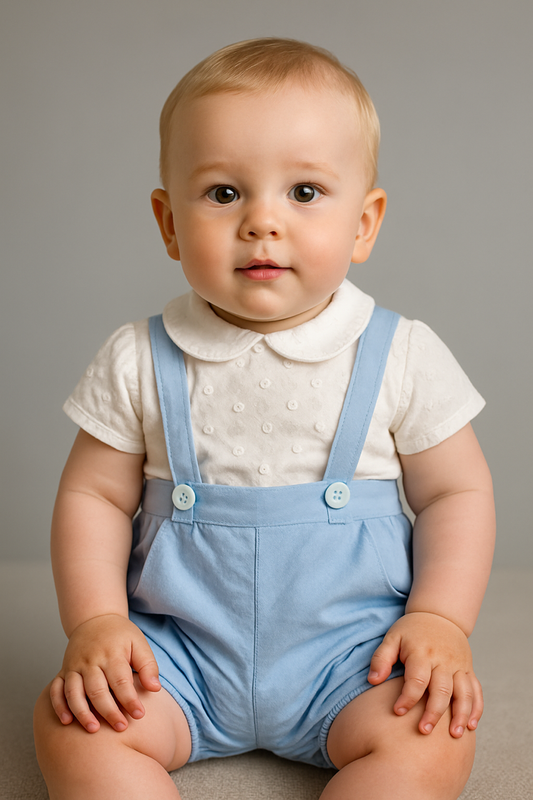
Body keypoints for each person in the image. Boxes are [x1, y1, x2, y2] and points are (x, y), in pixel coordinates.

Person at [33, 37, 495, 800]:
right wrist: (95, 624)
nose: (261, 223)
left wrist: (441, 619)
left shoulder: (401, 354)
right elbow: (93, 497)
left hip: (353, 660)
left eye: (304, 192)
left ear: (364, 223)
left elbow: (456, 494)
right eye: (222, 193)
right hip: (177, 657)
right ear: (168, 222)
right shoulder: (138, 358)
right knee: (74, 726)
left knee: (432, 736)